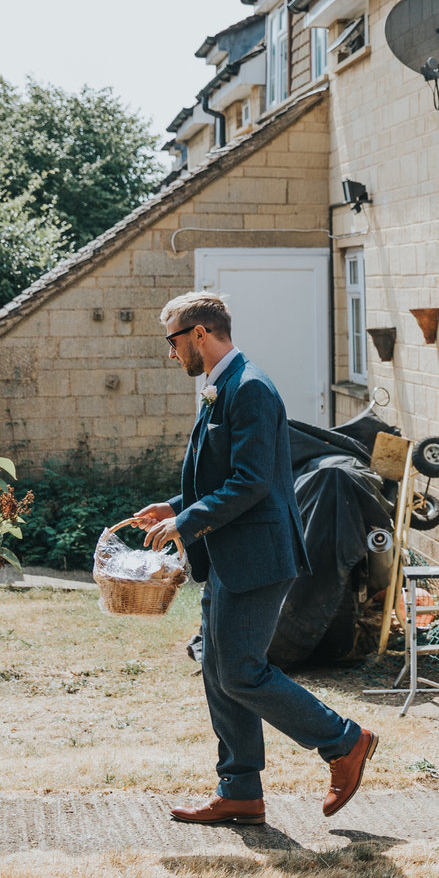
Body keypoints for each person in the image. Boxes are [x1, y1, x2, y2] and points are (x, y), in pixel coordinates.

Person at [126, 292, 377, 825]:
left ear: (198, 334)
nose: (170, 354)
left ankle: (343, 741)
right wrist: (173, 506)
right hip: (226, 555)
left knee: (241, 670)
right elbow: (221, 474)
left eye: (172, 341)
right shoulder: (222, 386)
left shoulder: (251, 388)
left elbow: (252, 481)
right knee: (217, 669)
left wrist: (186, 522)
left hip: (258, 556)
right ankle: (239, 789)